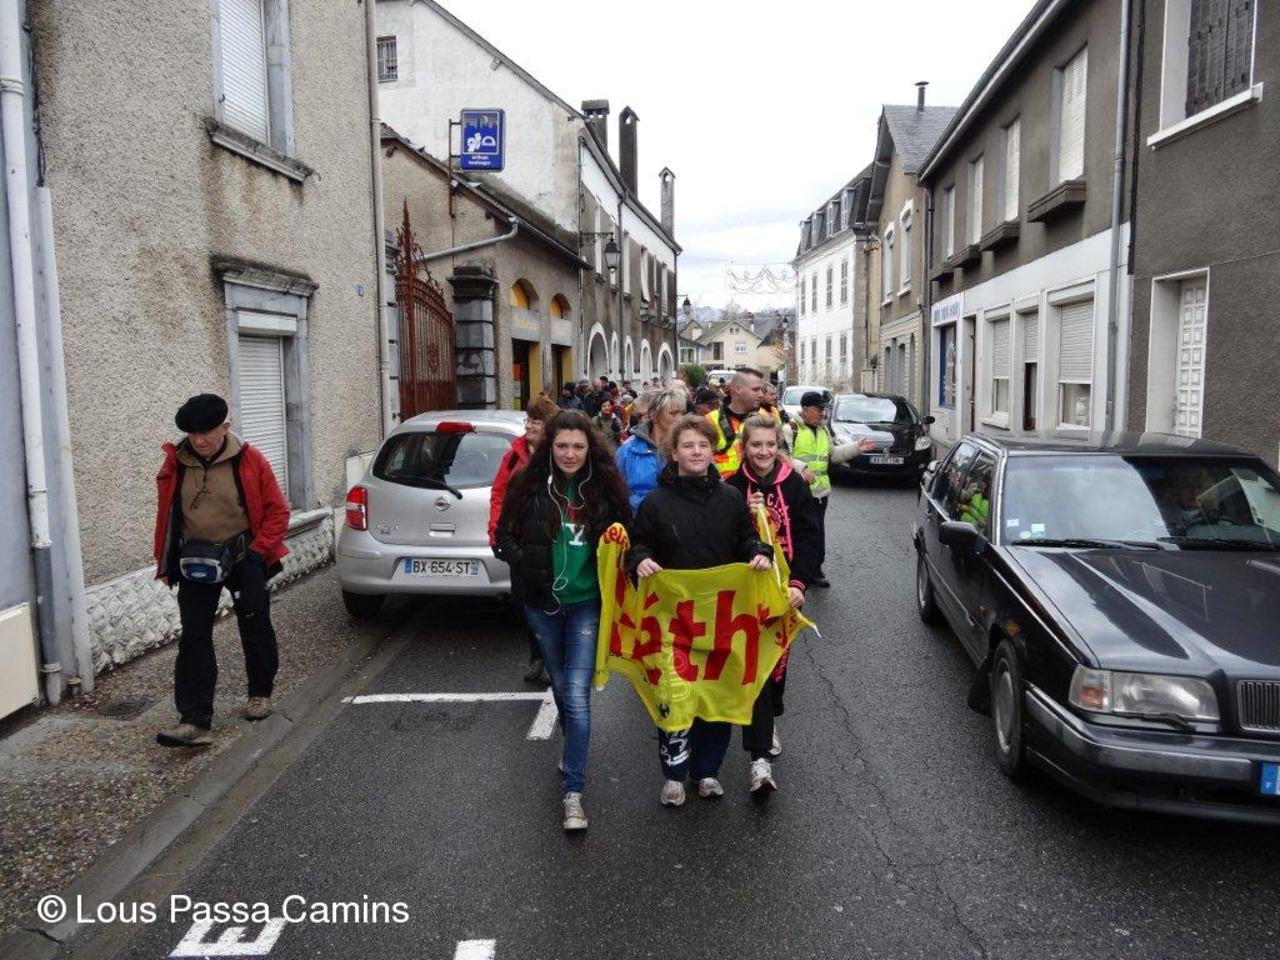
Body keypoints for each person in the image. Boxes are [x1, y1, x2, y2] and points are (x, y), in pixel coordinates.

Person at [495, 411, 631, 832]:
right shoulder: (527, 482)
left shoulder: (605, 487)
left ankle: (573, 793)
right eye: (562, 446)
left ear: (590, 448)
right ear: (549, 447)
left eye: (578, 447)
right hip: (542, 605)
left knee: (575, 695)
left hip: (587, 604)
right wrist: (527, 565)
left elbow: (627, 534)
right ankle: (573, 745)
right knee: (558, 684)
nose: (570, 454)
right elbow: (503, 537)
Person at [627, 414, 773, 807]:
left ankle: (707, 771)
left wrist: (758, 552)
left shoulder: (730, 499)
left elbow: (747, 539)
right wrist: (640, 559)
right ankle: (674, 775)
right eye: (688, 445)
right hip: (672, 621)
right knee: (676, 697)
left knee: (715, 698)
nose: (696, 452)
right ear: (673, 453)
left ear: (713, 452)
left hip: (719, 620)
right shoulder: (655, 503)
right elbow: (638, 545)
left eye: (703, 445)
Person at [152, 393, 290, 747]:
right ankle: (194, 720)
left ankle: (260, 693)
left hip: (244, 556)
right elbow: (167, 512)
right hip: (196, 560)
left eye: (207, 432)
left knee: (255, 623)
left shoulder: (249, 459)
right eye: (193, 433)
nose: (199, 440)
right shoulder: (177, 462)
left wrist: (258, 553)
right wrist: (166, 557)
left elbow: (278, 510)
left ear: (225, 427)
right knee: (194, 635)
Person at [726, 415, 820, 793]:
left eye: (770, 444)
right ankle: (759, 749)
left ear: (778, 446)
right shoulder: (731, 487)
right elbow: (722, 540)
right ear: (744, 448)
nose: (764, 452)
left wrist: (800, 582)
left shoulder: (794, 485)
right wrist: (743, 514)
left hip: (784, 591)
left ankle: (769, 715)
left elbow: (811, 537)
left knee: (777, 665)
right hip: (745, 593)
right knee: (755, 667)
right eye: (756, 445)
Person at [488, 396, 561, 684]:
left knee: (553, 601)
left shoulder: (559, 455)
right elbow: (499, 495)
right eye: (528, 420)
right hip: (519, 541)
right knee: (523, 603)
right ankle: (537, 652)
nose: (529, 425)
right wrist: (496, 534)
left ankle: (553, 655)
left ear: (549, 427)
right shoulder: (513, 455)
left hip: (551, 541)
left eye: (536, 421)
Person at [786, 392, 874, 587]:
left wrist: (856, 448)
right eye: (818, 409)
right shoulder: (791, 429)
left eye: (824, 409)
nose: (822, 413)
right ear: (805, 409)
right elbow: (782, 456)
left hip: (820, 493)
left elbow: (833, 455)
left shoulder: (823, 431)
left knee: (817, 532)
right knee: (798, 532)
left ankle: (815, 569)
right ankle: (796, 572)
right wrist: (802, 468)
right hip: (798, 492)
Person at [615, 388, 686, 512]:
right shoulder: (628, 449)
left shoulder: (689, 447)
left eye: (682, 413)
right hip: (638, 519)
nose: (680, 419)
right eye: (674, 413)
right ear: (653, 415)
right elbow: (614, 491)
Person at [707, 368, 766, 478]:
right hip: (722, 485)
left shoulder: (765, 417)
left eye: (761, 390)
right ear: (738, 389)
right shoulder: (710, 420)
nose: (761, 394)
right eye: (755, 389)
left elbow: (780, 454)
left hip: (756, 485)